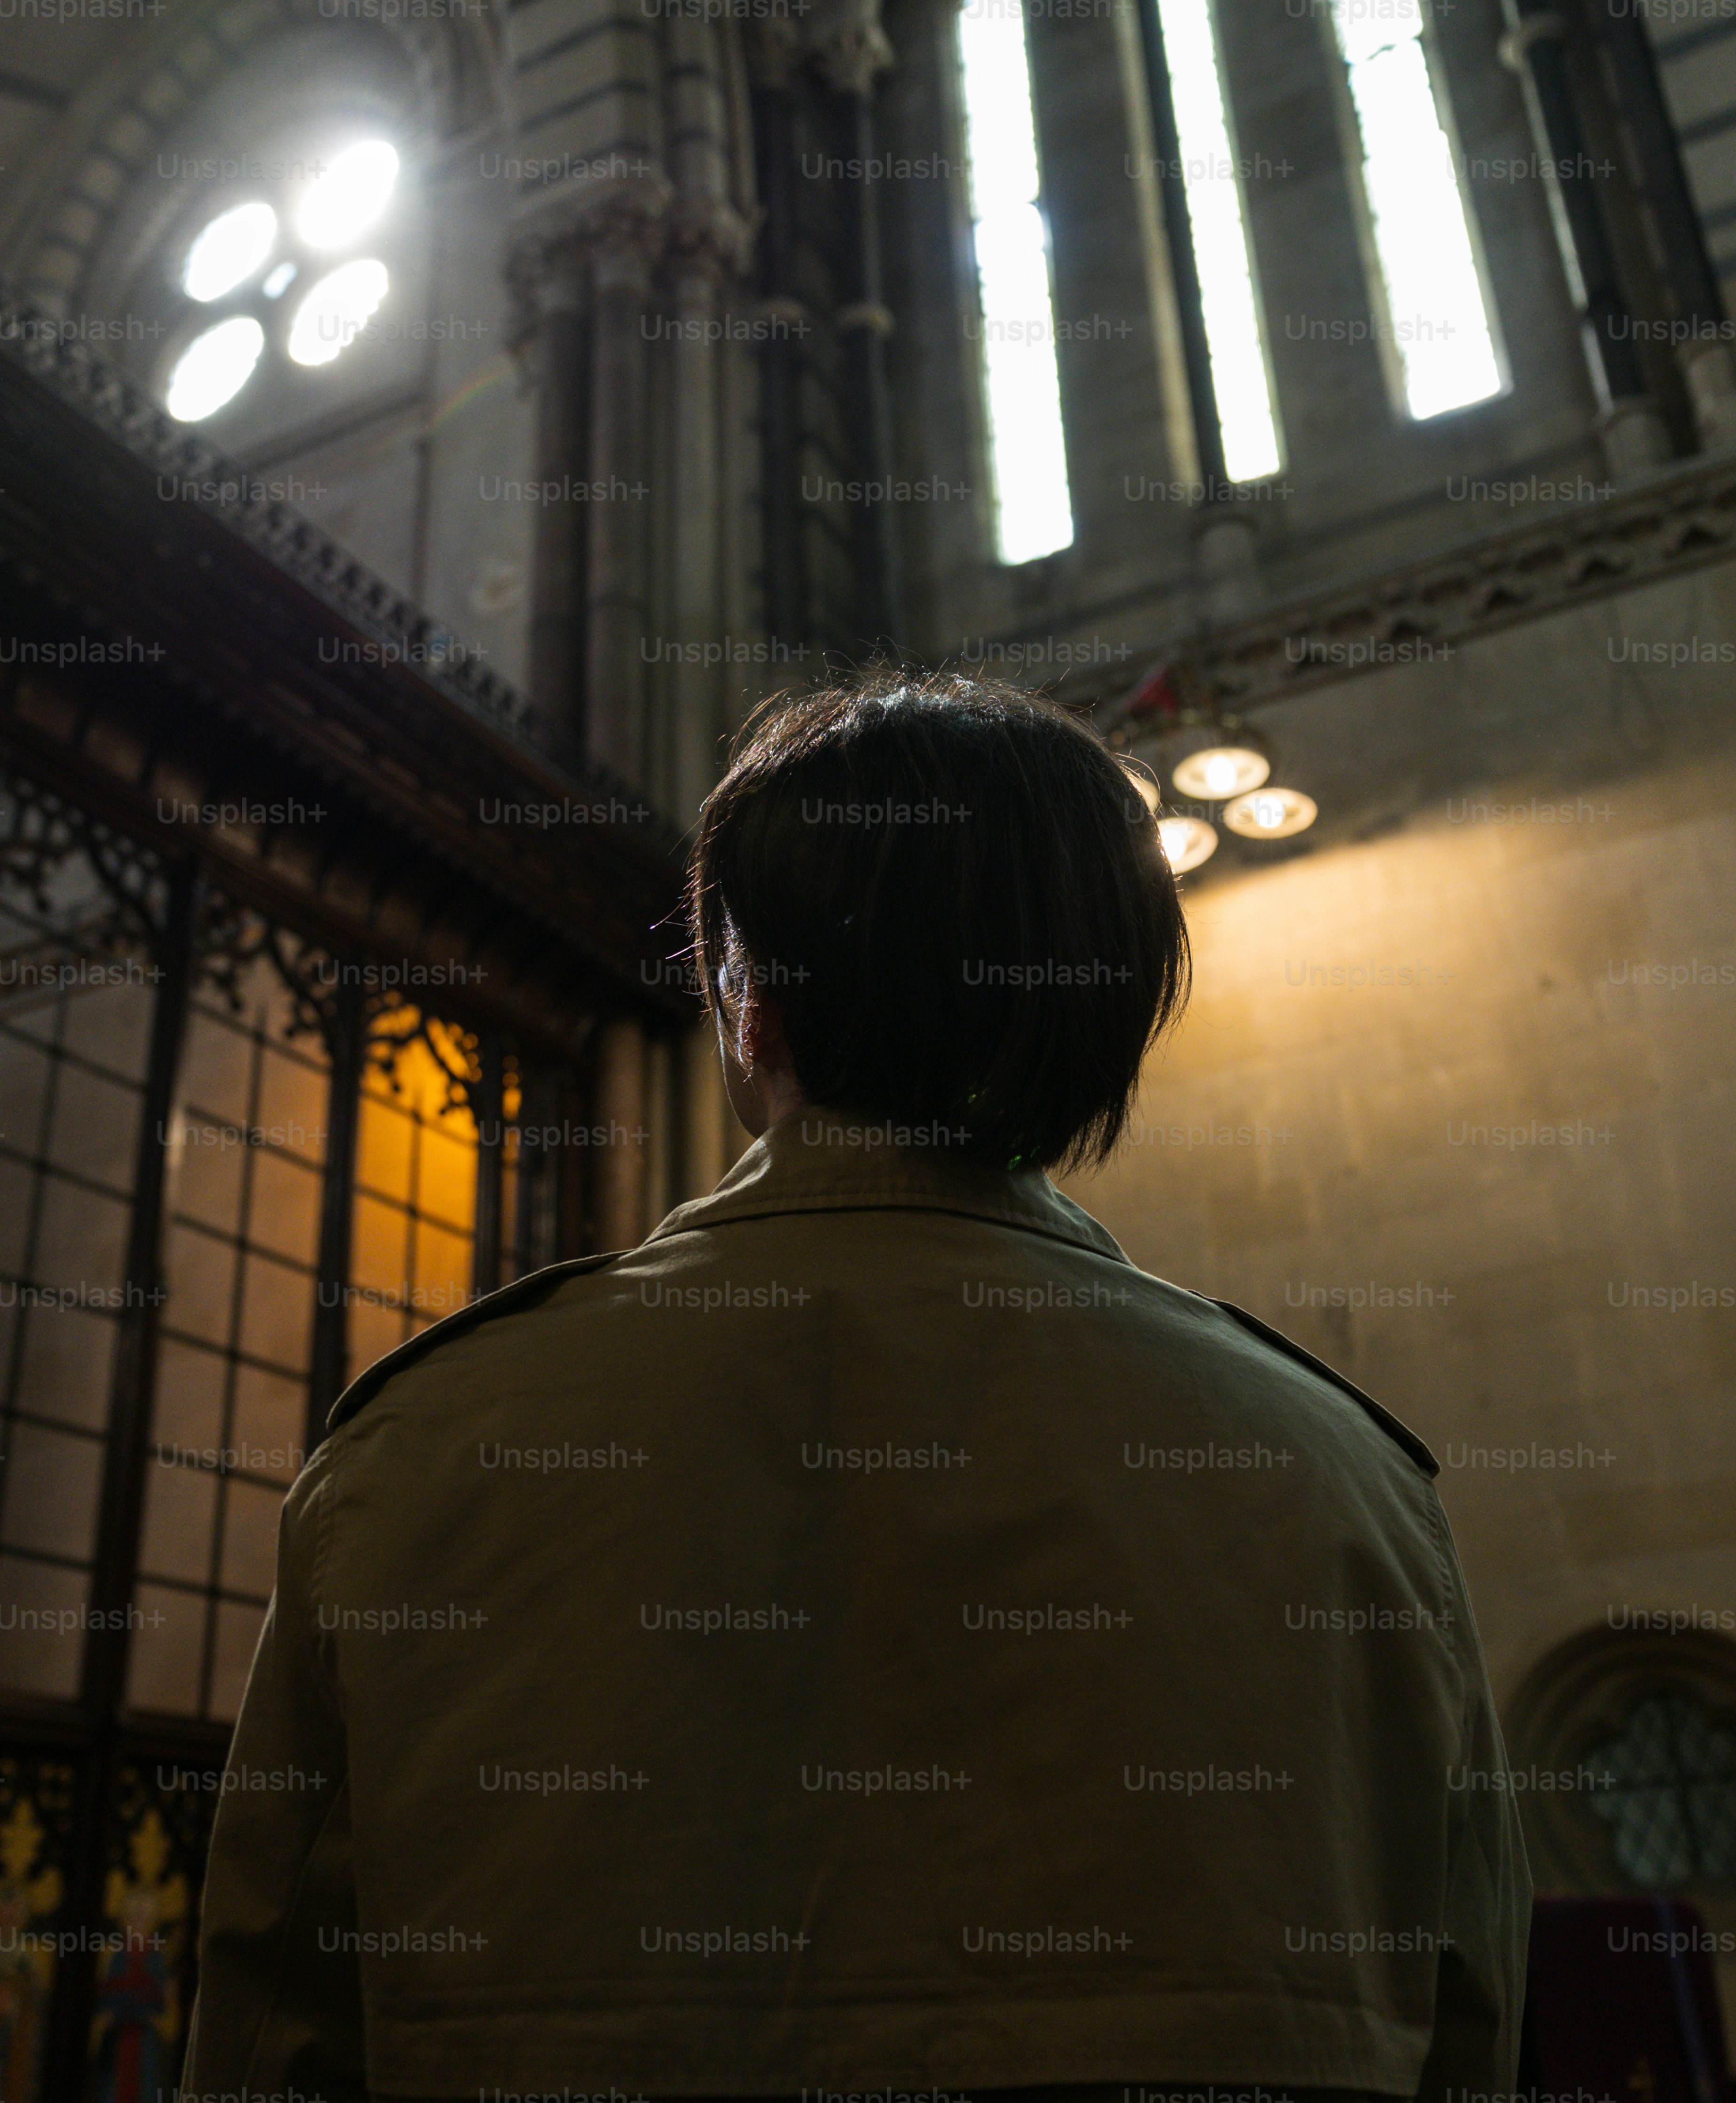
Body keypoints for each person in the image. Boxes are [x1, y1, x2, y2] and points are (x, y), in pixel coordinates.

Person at [183, 666, 1530, 2101]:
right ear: (1113, 1018)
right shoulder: (1348, 1490)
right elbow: (1469, 2036)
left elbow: (276, 2043)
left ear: (741, 1003)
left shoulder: (420, 1454)